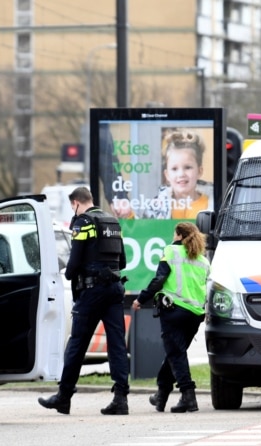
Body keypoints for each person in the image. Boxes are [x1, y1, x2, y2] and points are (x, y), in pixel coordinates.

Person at [38, 186, 130, 415]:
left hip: (91, 291)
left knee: (77, 343)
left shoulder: (83, 222)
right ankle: (121, 399)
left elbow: (75, 260)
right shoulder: (113, 222)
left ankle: (64, 396)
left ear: (76, 203)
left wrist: (67, 274)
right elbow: (123, 261)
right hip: (114, 289)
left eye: (72, 207)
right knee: (117, 344)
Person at [132, 222, 211, 412]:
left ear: (180, 236)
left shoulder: (171, 251)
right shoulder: (203, 260)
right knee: (174, 353)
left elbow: (160, 279)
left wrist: (141, 299)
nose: (172, 237)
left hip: (174, 310)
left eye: (174, 234)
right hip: (195, 314)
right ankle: (162, 394)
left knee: (176, 353)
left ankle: (188, 396)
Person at [142, 130, 214, 220]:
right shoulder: (156, 208)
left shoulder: (213, 205)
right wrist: (128, 215)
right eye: (174, 169)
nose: (181, 174)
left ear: (199, 171)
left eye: (187, 167)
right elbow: (141, 231)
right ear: (167, 175)